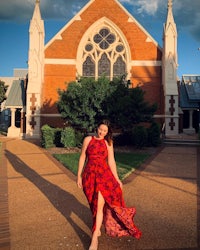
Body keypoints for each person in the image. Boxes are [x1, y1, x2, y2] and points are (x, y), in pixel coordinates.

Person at [77, 120, 142, 250]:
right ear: (97, 128)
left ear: (108, 132)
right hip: (89, 177)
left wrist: (117, 179)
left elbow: (111, 161)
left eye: (105, 131)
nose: (102, 132)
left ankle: (94, 238)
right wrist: (79, 175)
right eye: (100, 129)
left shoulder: (108, 143)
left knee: (99, 204)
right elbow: (83, 157)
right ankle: (97, 225)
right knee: (93, 204)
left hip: (104, 176)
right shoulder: (88, 139)